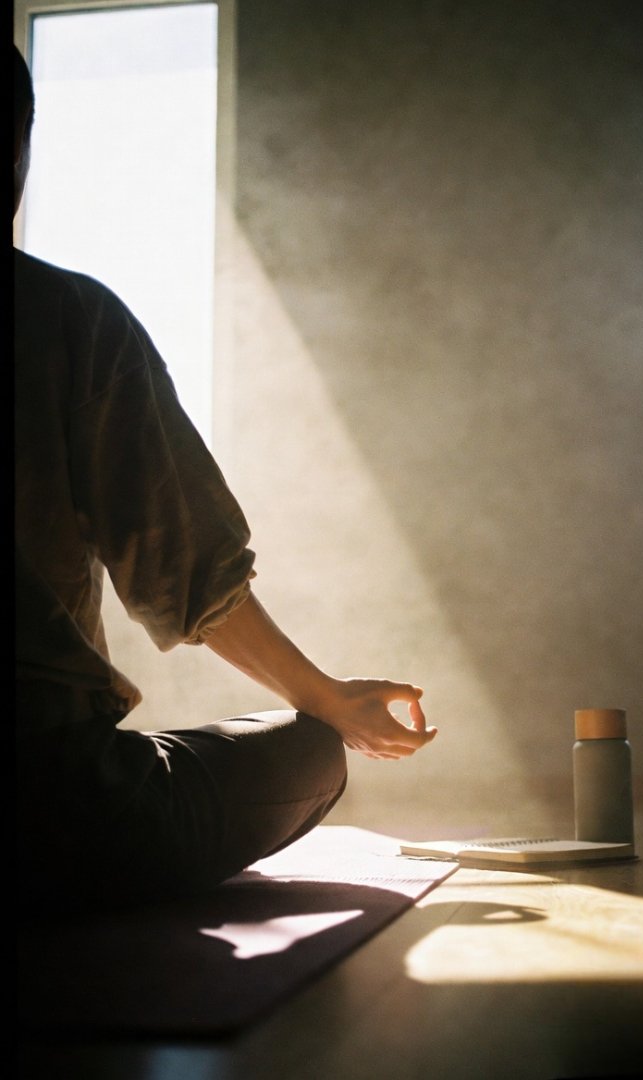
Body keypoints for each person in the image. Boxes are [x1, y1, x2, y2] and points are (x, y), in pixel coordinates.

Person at [13, 44, 437, 915]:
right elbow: (186, 568)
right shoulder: (66, 320)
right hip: (44, 805)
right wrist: (328, 702)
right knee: (309, 750)